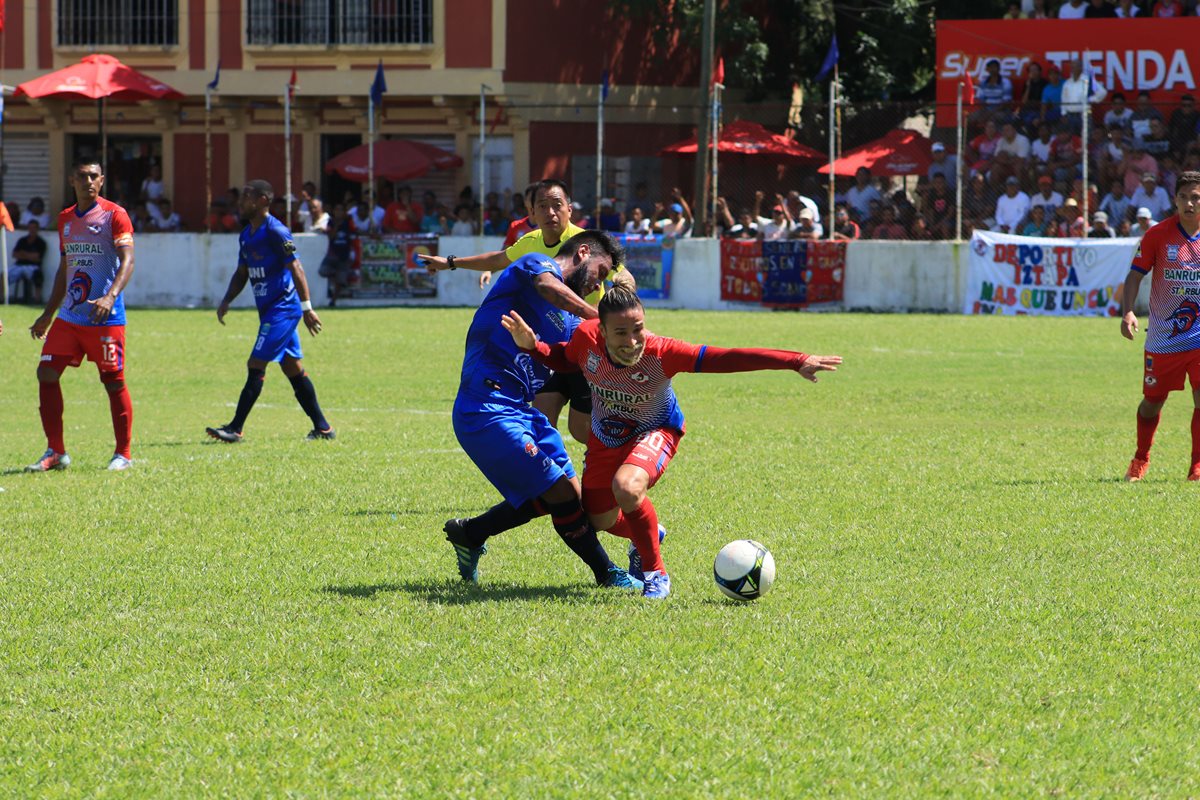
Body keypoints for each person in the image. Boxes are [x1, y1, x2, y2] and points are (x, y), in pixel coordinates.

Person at [500, 286, 842, 598]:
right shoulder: (586, 337)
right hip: (606, 436)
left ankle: (656, 575)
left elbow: (728, 357)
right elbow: (564, 358)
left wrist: (794, 360)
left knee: (628, 488)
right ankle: (648, 533)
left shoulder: (663, 352)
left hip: (657, 429)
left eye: (638, 330)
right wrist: (535, 348)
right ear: (601, 330)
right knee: (598, 521)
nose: (633, 341)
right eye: (621, 332)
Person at [436, 231, 641, 591]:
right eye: (600, 270)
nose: (599, 282)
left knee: (568, 499)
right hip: (486, 407)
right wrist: (601, 319)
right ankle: (606, 574)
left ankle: (470, 532)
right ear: (582, 252)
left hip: (522, 412)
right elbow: (548, 288)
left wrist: (625, 310)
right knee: (559, 493)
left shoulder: (574, 324)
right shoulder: (536, 266)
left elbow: (612, 354)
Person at [421, 179, 633, 445]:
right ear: (531, 213)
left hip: (586, 345)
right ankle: (548, 478)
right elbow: (498, 259)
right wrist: (450, 262)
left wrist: (621, 308)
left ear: (569, 209)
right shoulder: (530, 243)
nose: (550, 212)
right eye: (542, 206)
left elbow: (623, 276)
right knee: (541, 419)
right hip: (548, 345)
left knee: (581, 430)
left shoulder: (587, 244)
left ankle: (622, 457)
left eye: (557, 205)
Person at [25, 157, 135, 472]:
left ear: (102, 181)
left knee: (113, 381)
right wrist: (48, 313)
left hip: (105, 318)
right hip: (70, 317)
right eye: (83, 176)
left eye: (94, 177)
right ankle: (56, 452)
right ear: (72, 180)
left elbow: (128, 259)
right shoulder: (65, 219)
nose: (88, 182)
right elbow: (65, 267)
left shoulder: (116, 215)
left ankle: (123, 454)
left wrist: (110, 297)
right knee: (46, 373)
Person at [205, 179, 335, 444]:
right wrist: (227, 299)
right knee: (292, 368)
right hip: (268, 311)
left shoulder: (276, 231)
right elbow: (242, 272)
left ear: (263, 200)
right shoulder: (246, 235)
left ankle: (235, 428)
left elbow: (296, 268)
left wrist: (307, 308)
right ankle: (323, 428)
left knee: (255, 363)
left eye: (247, 197)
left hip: (283, 309)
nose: (241, 202)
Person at [1120, 170, 1200, 481]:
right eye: (1184, 197)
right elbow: (1134, 275)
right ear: (1175, 200)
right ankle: (1141, 458)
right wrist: (1128, 312)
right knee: (1152, 402)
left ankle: (1196, 465)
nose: (1190, 203)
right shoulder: (1158, 235)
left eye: (1196, 198)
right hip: (1164, 339)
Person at [318, 202, 358, 306]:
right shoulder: (331, 222)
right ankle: (337, 276)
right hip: (332, 254)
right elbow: (330, 237)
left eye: (341, 210)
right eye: (336, 210)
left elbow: (355, 233)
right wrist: (336, 226)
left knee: (340, 281)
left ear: (345, 212)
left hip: (344, 255)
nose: (338, 212)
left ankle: (333, 301)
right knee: (323, 271)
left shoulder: (349, 222)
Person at [10, 220, 47, 304]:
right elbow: (15, 254)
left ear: (37, 229)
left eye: (34, 228)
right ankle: (2, 298)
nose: (32, 230)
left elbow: (37, 258)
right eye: (30, 228)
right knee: (3, 275)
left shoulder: (41, 242)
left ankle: (37, 299)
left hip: (33, 267)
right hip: (19, 265)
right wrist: (30, 255)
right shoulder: (22, 240)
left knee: (38, 275)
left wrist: (23, 253)